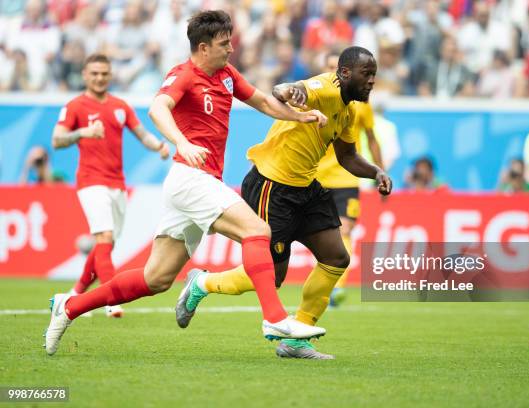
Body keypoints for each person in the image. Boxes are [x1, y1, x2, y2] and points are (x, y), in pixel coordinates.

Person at [44, 10, 328, 356]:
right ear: (203, 47)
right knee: (258, 231)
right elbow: (158, 108)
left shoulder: (227, 74)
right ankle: (274, 318)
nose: (231, 49)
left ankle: (69, 307)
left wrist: (301, 117)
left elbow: (264, 102)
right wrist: (182, 141)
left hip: (198, 181)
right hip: (188, 178)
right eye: (224, 44)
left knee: (156, 279)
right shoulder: (183, 75)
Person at [176, 46, 392, 360]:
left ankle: (296, 340)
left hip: (306, 187)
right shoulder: (322, 88)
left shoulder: (350, 109)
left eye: (374, 74)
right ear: (344, 73)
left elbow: (347, 157)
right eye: (366, 74)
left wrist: (375, 171)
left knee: (336, 257)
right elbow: (286, 91)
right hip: (271, 186)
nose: (372, 81)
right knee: (271, 278)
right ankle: (202, 283)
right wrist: (290, 92)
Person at [51, 53, 170, 318]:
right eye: (94, 73)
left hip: (117, 183)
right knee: (104, 237)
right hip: (90, 182)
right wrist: (83, 132)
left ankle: (75, 293)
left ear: (110, 75)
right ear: (84, 75)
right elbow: (57, 140)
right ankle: (110, 298)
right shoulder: (75, 106)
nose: (99, 78)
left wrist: (159, 145)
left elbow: (141, 134)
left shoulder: (120, 105)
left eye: (104, 73)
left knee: (106, 245)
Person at [314, 51, 384, 307]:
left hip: (346, 179)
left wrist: (380, 172)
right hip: (316, 177)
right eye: (330, 67)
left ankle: (336, 287)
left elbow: (372, 140)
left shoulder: (361, 105)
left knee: (345, 230)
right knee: (319, 235)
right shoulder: (316, 98)